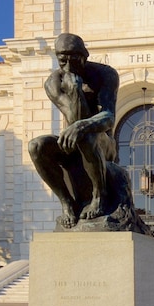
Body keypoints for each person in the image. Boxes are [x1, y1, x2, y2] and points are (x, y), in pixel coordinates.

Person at [28, 33, 119, 228]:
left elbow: (109, 118)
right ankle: (66, 202)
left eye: (74, 60)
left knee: (86, 134)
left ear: (85, 56)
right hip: (73, 141)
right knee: (36, 146)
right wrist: (75, 91)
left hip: (104, 143)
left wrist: (81, 125)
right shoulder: (53, 83)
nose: (68, 67)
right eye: (63, 61)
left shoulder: (105, 74)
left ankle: (99, 196)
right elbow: (73, 117)